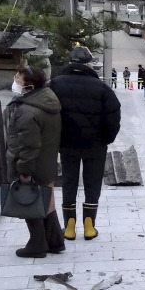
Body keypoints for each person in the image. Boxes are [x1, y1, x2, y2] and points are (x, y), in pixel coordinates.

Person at [51, 46, 121, 241]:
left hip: (67, 142)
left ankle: (69, 226)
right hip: (95, 144)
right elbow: (114, 115)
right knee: (92, 183)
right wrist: (107, 138)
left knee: (69, 181)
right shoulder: (101, 88)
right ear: (89, 63)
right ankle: (89, 225)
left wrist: (56, 136)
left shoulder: (55, 84)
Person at [5, 66, 64, 258]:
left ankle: (37, 244)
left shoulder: (28, 111)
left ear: (29, 87)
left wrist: (24, 172)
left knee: (29, 201)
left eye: (18, 79)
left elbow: (28, 146)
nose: (14, 81)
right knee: (47, 202)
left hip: (33, 164)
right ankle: (54, 241)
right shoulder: (48, 101)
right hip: (47, 161)